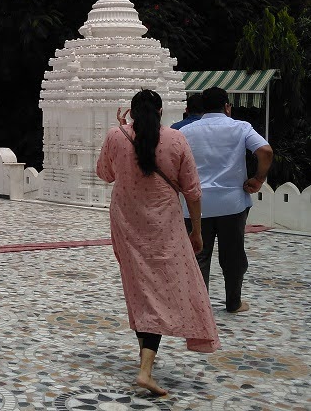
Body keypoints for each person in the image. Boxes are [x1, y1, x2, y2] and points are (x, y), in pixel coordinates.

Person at [97, 89, 219, 396]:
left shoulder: (116, 135)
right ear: (162, 112)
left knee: (141, 291)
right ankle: (145, 370)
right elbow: (192, 190)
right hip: (165, 227)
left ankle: (145, 362)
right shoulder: (176, 139)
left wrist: (121, 131)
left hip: (127, 223)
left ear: (133, 113)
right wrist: (197, 231)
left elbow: (105, 173)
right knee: (160, 293)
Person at [178, 87, 273, 314]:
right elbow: (266, 151)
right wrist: (259, 178)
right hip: (232, 203)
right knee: (233, 256)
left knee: (199, 256)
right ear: (227, 107)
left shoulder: (186, 132)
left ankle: (199, 308)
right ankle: (234, 302)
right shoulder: (240, 127)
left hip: (195, 205)